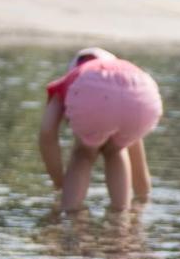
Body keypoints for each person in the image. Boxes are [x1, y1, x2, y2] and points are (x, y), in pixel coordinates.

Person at [40, 47, 162, 212]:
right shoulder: (125, 77)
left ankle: (71, 217)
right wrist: (143, 196)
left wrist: (59, 182)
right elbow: (138, 163)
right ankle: (121, 218)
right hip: (143, 89)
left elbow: (47, 131)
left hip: (96, 89)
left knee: (83, 154)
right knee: (117, 150)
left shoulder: (73, 78)